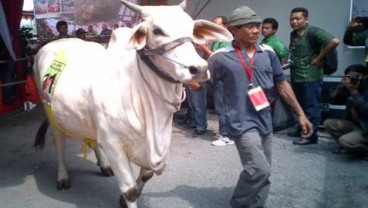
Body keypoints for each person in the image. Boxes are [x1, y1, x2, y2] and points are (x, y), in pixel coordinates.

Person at [208, 6, 313, 208]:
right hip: (239, 120)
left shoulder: (268, 53)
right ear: (234, 30)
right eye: (250, 26)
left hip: (265, 118)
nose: (256, 30)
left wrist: (301, 114)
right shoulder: (220, 56)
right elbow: (199, 80)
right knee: (258, 169)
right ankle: (239, 203)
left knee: (266, 170)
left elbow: (282, 83)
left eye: (257, 26)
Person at [288, 7, 340, 145]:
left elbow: (334, 41)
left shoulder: (313, 32)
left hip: (310, 77)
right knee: (301, 105)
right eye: (292, 19)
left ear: (306, 20)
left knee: (312, 107)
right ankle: (302, 128)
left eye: (298, 19)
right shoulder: (294, 34)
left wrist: (320, 57)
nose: (294, 21)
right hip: (297, 76)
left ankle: (310, 136)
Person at [197, 16, 234, 146]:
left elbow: (219, 58)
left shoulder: (227, 42)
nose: (214, 28)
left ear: (226, 26)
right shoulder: (218, 41)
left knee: (222, 106)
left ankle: (226, 136)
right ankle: (228, 133)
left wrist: (204, 48)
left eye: (217, 25)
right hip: (217, 76)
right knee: (222, 106)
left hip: (224, 78)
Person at [323, 64, 368, 157]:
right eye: (350, 76)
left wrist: (354, 92)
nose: (353, 79)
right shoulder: (349, 87)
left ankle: (362, 149)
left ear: (365, 76)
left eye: (356, 76)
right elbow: (333, 100)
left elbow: (365, 109)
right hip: (357, 125)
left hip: (366, 129)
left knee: (345, 141)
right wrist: (341, 86)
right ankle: (350, 147)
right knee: (328, 123)